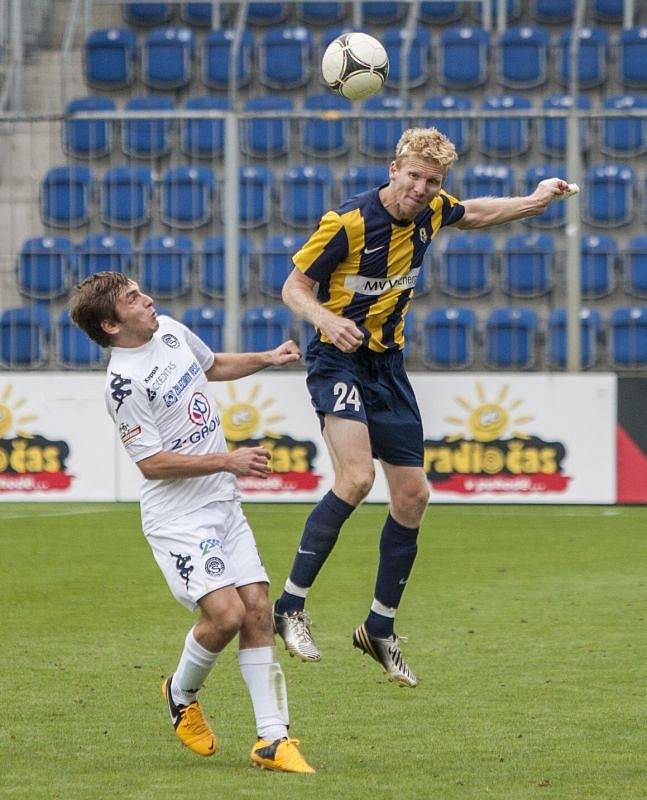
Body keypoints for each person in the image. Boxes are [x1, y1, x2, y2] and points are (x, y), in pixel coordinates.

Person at [272, 127, 576, 687]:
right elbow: (293, 287)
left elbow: (476, 212)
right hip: (338, 360)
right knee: (357, 478)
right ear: (394, 169)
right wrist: (325, 319)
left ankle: (379, 628)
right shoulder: (347, 223)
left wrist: (534, 201)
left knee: (413, 496)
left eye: (431, 181)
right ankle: (289, 606)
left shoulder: (434, 211)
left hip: (388, 368)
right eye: (413, 175)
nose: (420, 188)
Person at [69, 271, 314, 774]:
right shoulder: (123, 384)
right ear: (112, 325)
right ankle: (180, 694)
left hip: (222, 502)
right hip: (178, 516)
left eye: (143, 288)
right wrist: (229, 460)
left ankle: (273, 739)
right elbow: (151, 463)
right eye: (134, 299)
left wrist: (267, 358)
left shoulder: (170, 330)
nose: (149, 298)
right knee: (226, 615)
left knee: (257, 609)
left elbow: (213, 365)